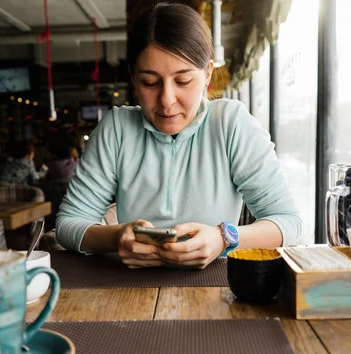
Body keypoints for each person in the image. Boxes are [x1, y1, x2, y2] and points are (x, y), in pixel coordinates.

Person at [56, 3, 301, 269]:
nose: (166, 100)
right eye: (150, 83)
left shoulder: (231, 124)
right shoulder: (117, 129)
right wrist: (116, 236)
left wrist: (223, 238)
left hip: (216, 288)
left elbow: (288, 222)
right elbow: (69, 223)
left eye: (183, 81)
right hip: (129, 288)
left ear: (207, 74)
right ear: (133, 78)